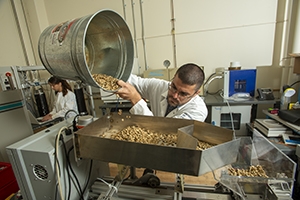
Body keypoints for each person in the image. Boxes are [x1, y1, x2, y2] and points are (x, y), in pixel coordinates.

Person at [116, 63, 208, 122]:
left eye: (183, 94)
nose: (175, 95)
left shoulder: (197, 111)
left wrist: (136, 100)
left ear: (196, 93)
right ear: (174, 77)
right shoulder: (161, 86)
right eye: (174, 87)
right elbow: (134, 81)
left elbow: (162, 132)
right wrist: (112, 72)